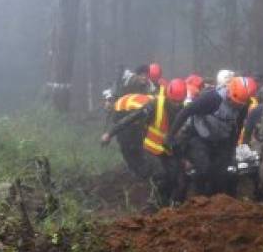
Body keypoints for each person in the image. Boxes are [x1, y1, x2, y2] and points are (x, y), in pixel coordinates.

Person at [101, 78, 188, 209]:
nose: (176, 105)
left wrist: (184, 157)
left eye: (179, 102)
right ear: (168, 96)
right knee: (161, 175)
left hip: (168, 149)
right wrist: (110, 133)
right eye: (174, 101)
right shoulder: (155, 104)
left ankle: (173, 207)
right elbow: (132, 117)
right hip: (151, 147)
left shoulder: (185, 109)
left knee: (178, 177)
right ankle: (153, 206)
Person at [168, 76, 252, 197]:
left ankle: (217, 200)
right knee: (204, 169)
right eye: (234, 103)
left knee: (222, 173)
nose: (236, 106)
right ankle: (198, 198)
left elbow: (237, 125)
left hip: (222, 139)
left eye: (239, 105)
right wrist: (171, 135)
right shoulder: (212, 99)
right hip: (199, 137)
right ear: (229, 93)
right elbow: (186, 111)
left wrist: (232, 147)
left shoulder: (243, 104)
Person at [103, 92, 153, 179]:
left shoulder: (118, 108)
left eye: (106, 101)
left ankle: (139, 173)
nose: (105, 105)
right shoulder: (123, 102)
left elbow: (122, 125)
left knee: (127, 146)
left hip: (146, 113)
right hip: (148, 112)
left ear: (111, 101)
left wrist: (109, 135)